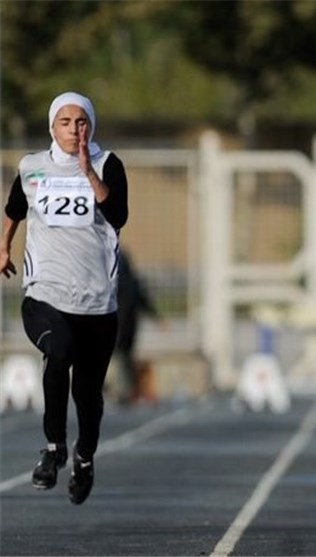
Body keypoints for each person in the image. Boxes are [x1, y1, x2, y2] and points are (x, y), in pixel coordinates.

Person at [0, 91, 128, 504]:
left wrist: (88, 172)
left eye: (82, 122)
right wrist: (3, 246)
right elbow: (14, 208)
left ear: (91, 125)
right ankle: (53, 447)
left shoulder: (108, 165)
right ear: (52, 127)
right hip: (45, 293)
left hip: (97, 302)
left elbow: (119, 215)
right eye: (66, 123)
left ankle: (84, 457)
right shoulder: (32, 167)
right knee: (58, 352)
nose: (75, 130)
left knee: (88, 396)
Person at [115, 249, 158, 405]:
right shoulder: (130, 283)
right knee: (122, 361)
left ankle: (125, 392)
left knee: (123, 361)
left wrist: (157, 318)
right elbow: (143, 301)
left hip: (122, 329)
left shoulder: (119, 283)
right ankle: (123, 391)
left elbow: (142, 301)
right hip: (124, 329)